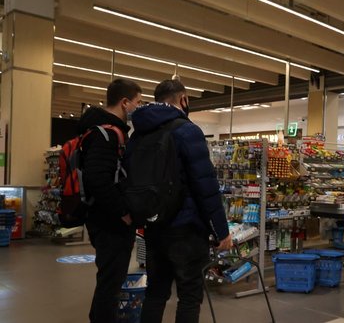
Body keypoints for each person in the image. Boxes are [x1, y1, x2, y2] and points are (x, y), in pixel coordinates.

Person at [130, 80, 233, 323]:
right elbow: (205, 185)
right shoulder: (187, 130)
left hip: (152, 224)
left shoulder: (138, 134)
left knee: (155, 292)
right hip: (186, 228)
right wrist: (221, 230)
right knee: (189, 295)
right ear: (183, 99)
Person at [80, 78, 142, 323]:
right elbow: (98, 179)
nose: (139, 107)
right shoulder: (108, 135)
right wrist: (123, 213)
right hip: (109, 222)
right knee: (110, 284)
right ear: (125, 103)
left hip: (100, 218)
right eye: (138, 102)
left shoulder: (98, 130)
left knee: (108, 280)